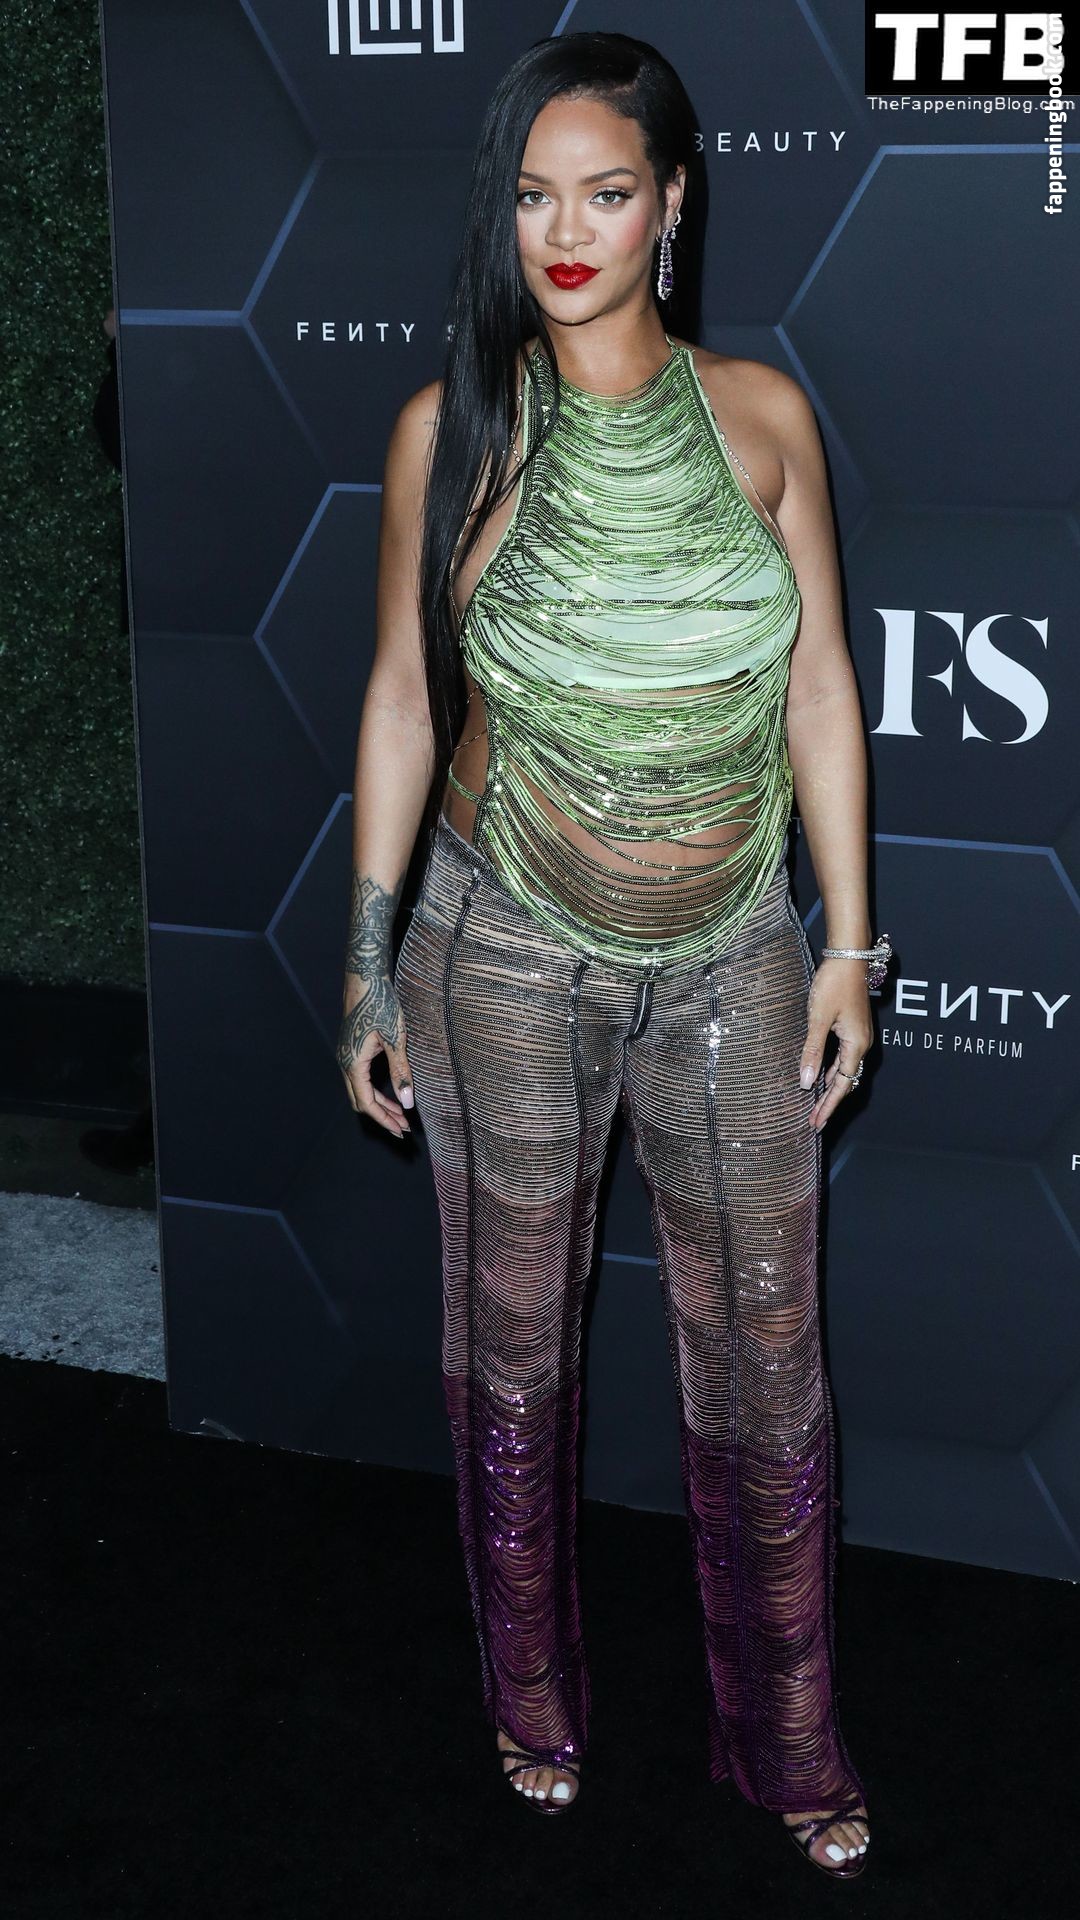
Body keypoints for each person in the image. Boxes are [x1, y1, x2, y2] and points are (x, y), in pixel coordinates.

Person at [337, 31, 890, 1880]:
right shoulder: (451, 429)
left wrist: (849, 942)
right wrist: (366, 961)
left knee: (769, 1352)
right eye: (530, 193)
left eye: (605, 189)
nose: (564, 230)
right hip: (498, 945)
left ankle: (791, 1738)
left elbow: (822, 689)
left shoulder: (764, 417)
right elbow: (404, 699)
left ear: (673, 204)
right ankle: (530, 1703)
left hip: (735, 953)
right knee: (511, 1348)